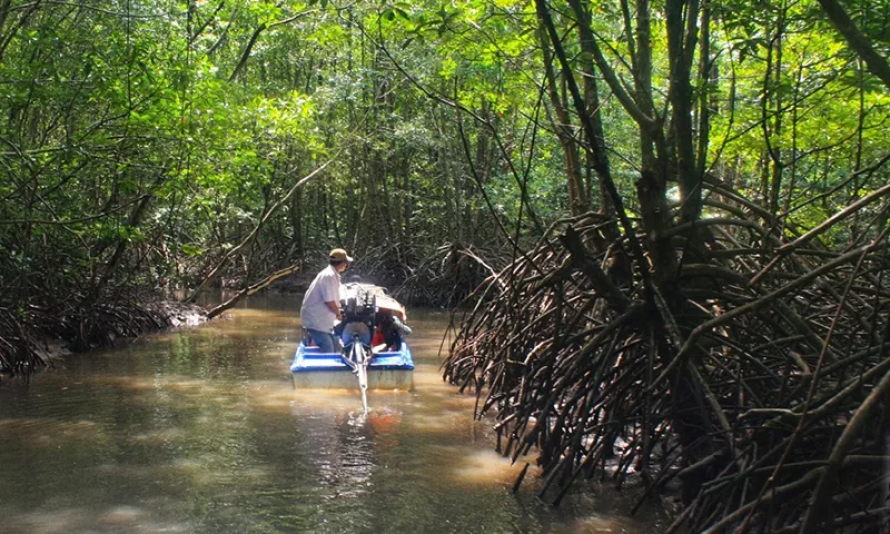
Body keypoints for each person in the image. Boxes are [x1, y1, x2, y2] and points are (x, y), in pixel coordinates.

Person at [300, 248, 353, 353]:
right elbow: (329, 301)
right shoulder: (329, 276)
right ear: (341, 263)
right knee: (328, 348)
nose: (346, 265)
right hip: (316, 321)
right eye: (346, 262)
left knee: (337, 346)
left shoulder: (333, 275)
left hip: (323, 321)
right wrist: (339, 314)